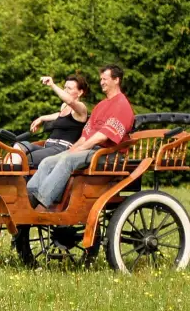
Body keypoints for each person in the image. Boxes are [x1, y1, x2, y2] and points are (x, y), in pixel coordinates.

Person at [26, 65, 134, 209]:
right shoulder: (100, 106)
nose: (101, 82)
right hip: (92, 151)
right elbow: (85, 136)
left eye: (105, 79)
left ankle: (43, 204)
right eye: (101, 79)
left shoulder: (122, 105)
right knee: (48, 161)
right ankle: (28, 199)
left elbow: (101, 137)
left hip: (109, 155)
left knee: (67, 159)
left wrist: (77, 151)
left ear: (116, 80)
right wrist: (72, 149)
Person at [13, 74, 90, 167]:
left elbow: (70, 101)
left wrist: (52, 85)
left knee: (29, 157)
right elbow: (59, 115)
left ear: (80, 92)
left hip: (61, 149)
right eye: (64, 87)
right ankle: (9, 178)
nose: (65, 90)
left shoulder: (81, 108)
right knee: (19, 146)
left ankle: (17, 179)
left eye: (69, 88)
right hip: (48, 146)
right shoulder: (64, 106)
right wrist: (41, 118)